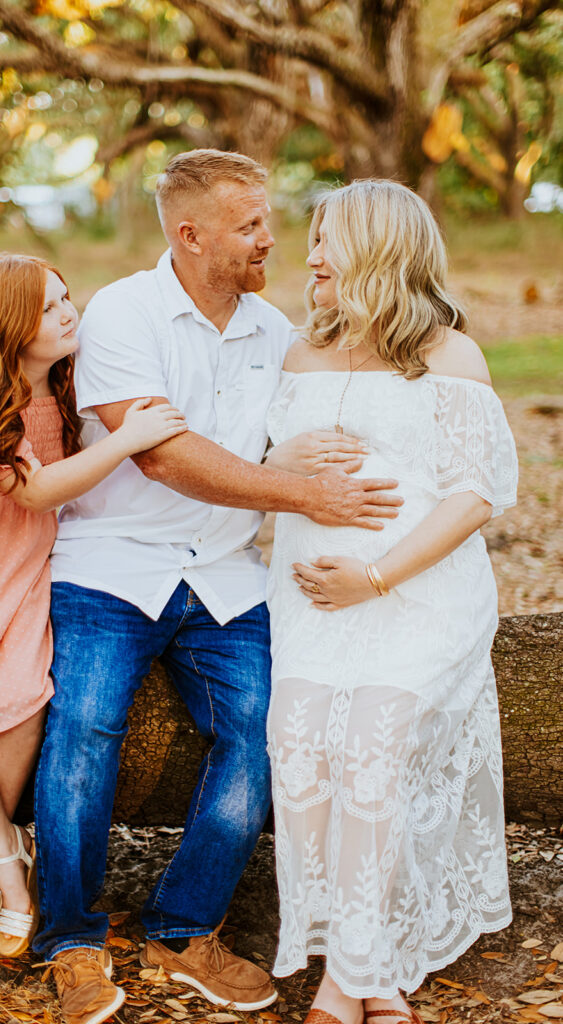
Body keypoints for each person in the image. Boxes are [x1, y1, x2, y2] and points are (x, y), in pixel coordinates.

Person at [32, 149, 404, 1024]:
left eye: (265, 221)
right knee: (84, 725)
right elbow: (163, 457)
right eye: (248, 226)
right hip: (111, 563)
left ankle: (183, 926)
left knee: (271, 730)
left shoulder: (275, 332)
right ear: (189, 234)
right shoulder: (123, 313)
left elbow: (322, 420)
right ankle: (72, 939)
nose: (268, 239)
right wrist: (303, 490)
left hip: (229, 579)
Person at [0, 252, 186, 959]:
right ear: (7, 326)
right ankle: (7, 861)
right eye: (48, 307)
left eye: (66, 297)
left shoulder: (73, 386)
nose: (68, 312)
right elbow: (36, 489)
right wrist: (131, 441)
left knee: (25, 691)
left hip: (17, 552)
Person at [264, 179, 518, 1024]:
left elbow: (473, 496)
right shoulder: (300, 351)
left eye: (327, 241)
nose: (309, 258)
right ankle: (367, 967)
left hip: (418, 599)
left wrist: (373, 578)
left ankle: (350, 976)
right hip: (310, 607)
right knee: (298, 744)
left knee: (373, 741)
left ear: (378, 248)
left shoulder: (448, 355)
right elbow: (263, 472)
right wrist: (284, 451)